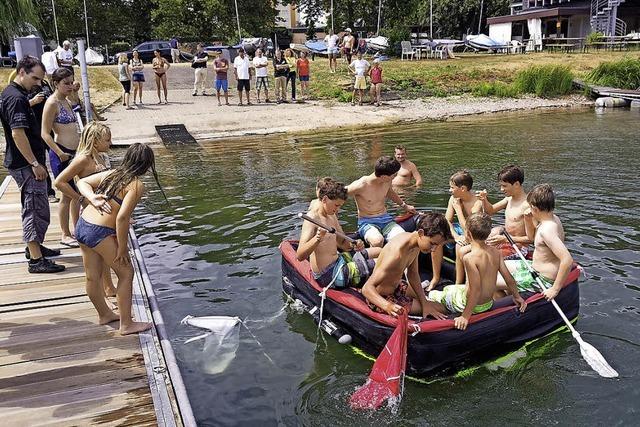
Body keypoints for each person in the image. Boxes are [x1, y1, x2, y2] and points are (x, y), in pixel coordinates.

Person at [75, 143, 157, 335]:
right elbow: (122, 218)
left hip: (83, 225)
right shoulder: (136, 185)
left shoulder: (112, 173)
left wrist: (92, 198)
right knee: (126, 273)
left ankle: (104, 314)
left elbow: (82, 183)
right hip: (99, 232)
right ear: (146, 165)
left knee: (92, 276)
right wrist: (122, 248)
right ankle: (127, 324)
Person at [0, 56, 65, 273]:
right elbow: (18, 134)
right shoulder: (16, 98)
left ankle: (35, 248)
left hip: (24, 161)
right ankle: (36, 261)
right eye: (35, 78)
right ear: (21, 72)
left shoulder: (13, 94)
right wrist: (36, 164)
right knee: (34, 209)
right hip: (26, 164)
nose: (37, 83)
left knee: (38, 207)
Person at [428, 213, 527, 330]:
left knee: (434, 294)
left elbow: (475, 290)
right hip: (488, 303)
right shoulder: (495, 252)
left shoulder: (470, 258)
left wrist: (465, 316)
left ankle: (429, 297)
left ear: (468, 233)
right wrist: (517, 296)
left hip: (473, 306)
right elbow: (509, 278)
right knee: (450, 288)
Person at [54, 122, 116, 298]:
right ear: (95, 141)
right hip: (91, 213)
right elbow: (59, 182)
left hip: (104, 212)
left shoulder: (101, 157)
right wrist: (80, 198)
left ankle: (109, 286)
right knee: (98, 257)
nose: (110, 143)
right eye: (107, 140)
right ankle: (105, 291)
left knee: (105, 254)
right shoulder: (83, 159)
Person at [362, 212, 451, 318]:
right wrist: (388, 306)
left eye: (437, 245)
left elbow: (412, 274)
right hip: (381, 298)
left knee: (436, 306)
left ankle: (424, 302)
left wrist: (425, 303)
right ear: (421, 233)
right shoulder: (396, 254)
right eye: (432, 244)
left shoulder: (415, 243)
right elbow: (367, 288)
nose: (434, 249)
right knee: (440, 308)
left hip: (398, 286)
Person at [296, 178, 380, 289]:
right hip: (329, 275)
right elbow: (300, 256)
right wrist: (317, 239)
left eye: (340, 206)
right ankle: (375, 291)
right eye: (336, 205)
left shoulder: (332, 215)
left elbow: (344, 244)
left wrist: (355, 244)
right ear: (325, 199)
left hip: (339, 261)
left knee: (381, 251)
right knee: (384, 262)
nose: (337, 209)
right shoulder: (312, 219)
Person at [501, 184, 574, 301]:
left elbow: (567, 259)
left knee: (492, 280)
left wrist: (554, 290)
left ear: (534, 208)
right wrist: (528, 219)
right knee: (500, 265)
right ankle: (512, 295)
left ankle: (508, 304)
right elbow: (534, 239)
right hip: (534, 268)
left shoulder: (547, 230)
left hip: (542, 279)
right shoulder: (553, 219)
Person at [41, 67, 82, 248]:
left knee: (77, 193)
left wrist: (75, 93)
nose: (69, 86)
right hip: (62, 153)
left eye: (71, 82)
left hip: (74, 152)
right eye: (65, 83)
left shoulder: (67, 100)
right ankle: (65, 234)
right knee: (66, 195)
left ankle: (77, 228)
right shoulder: (52, 103)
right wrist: (59, 152)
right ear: (55, 84)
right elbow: (45, 133)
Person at [428, 170, 484, 289]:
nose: (450, 190)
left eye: (452, 187)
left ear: (462, 188)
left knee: (460, 246)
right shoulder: (453, 198)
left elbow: (470, 229)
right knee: (436, 241)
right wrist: (455, 236)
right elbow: (447, 220)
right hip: (459, 231)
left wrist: (458, 209)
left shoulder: (477, 203)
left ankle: (458, 283)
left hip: (473, 234)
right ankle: (435, 278)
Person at [347, 156, 416, 248]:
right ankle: (374, 261)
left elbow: (390, 192)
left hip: (386, 219)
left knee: (403, 240)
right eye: (393, 175)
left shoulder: (387, 181)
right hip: (367, 222)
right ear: (383, 176)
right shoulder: (360, 185)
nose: (395, 177)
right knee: (377, 241)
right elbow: (338, 194)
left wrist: (404, 206)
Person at [477, 165, 531, 260]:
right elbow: (490, 211)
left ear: (517, 184)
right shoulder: (508, 199)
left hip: (518, 248)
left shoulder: (527, 206)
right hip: (504, 242)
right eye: (501, 185)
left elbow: (532, 239)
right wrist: (484, 200)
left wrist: (505, 239)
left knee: (483, 256)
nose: (501, 189)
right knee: (474, 249)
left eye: (504, 186)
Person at [28, 76, 58, 202]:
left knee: (56, 155)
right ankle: (48, 191)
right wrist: (33, 101)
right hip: (34, 130)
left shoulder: (44, 84)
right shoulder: (24, 89)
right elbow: (21, 107)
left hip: (48, 128)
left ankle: (64, 184)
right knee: (40, 160)